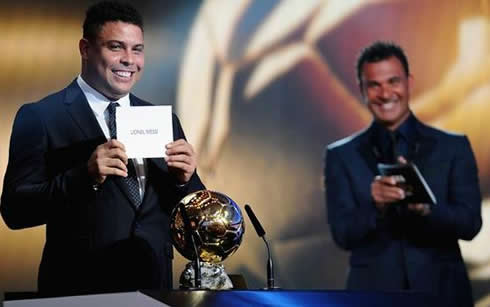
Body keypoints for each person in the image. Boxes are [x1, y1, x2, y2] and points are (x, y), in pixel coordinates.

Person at [1, 1, 205, 295]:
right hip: (79, 289)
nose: (129, 60)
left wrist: (184, 181)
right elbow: (15, 211)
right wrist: (85, 176)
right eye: (116, 47)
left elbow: (192, 217)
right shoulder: (41, 117)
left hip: (154, 289)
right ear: (85, 49)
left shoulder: (163, 120)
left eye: (137, 49)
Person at [324, 41, 482, 306]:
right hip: (372, 295)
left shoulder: (453, 147)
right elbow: (343, 235)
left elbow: (470, 225)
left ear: (408, 82)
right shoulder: (341, 155)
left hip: (443, 293)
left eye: (393, 81)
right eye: (374, 85)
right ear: (362, 89)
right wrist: (375, 206)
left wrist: (426, 209)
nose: (385, 93)